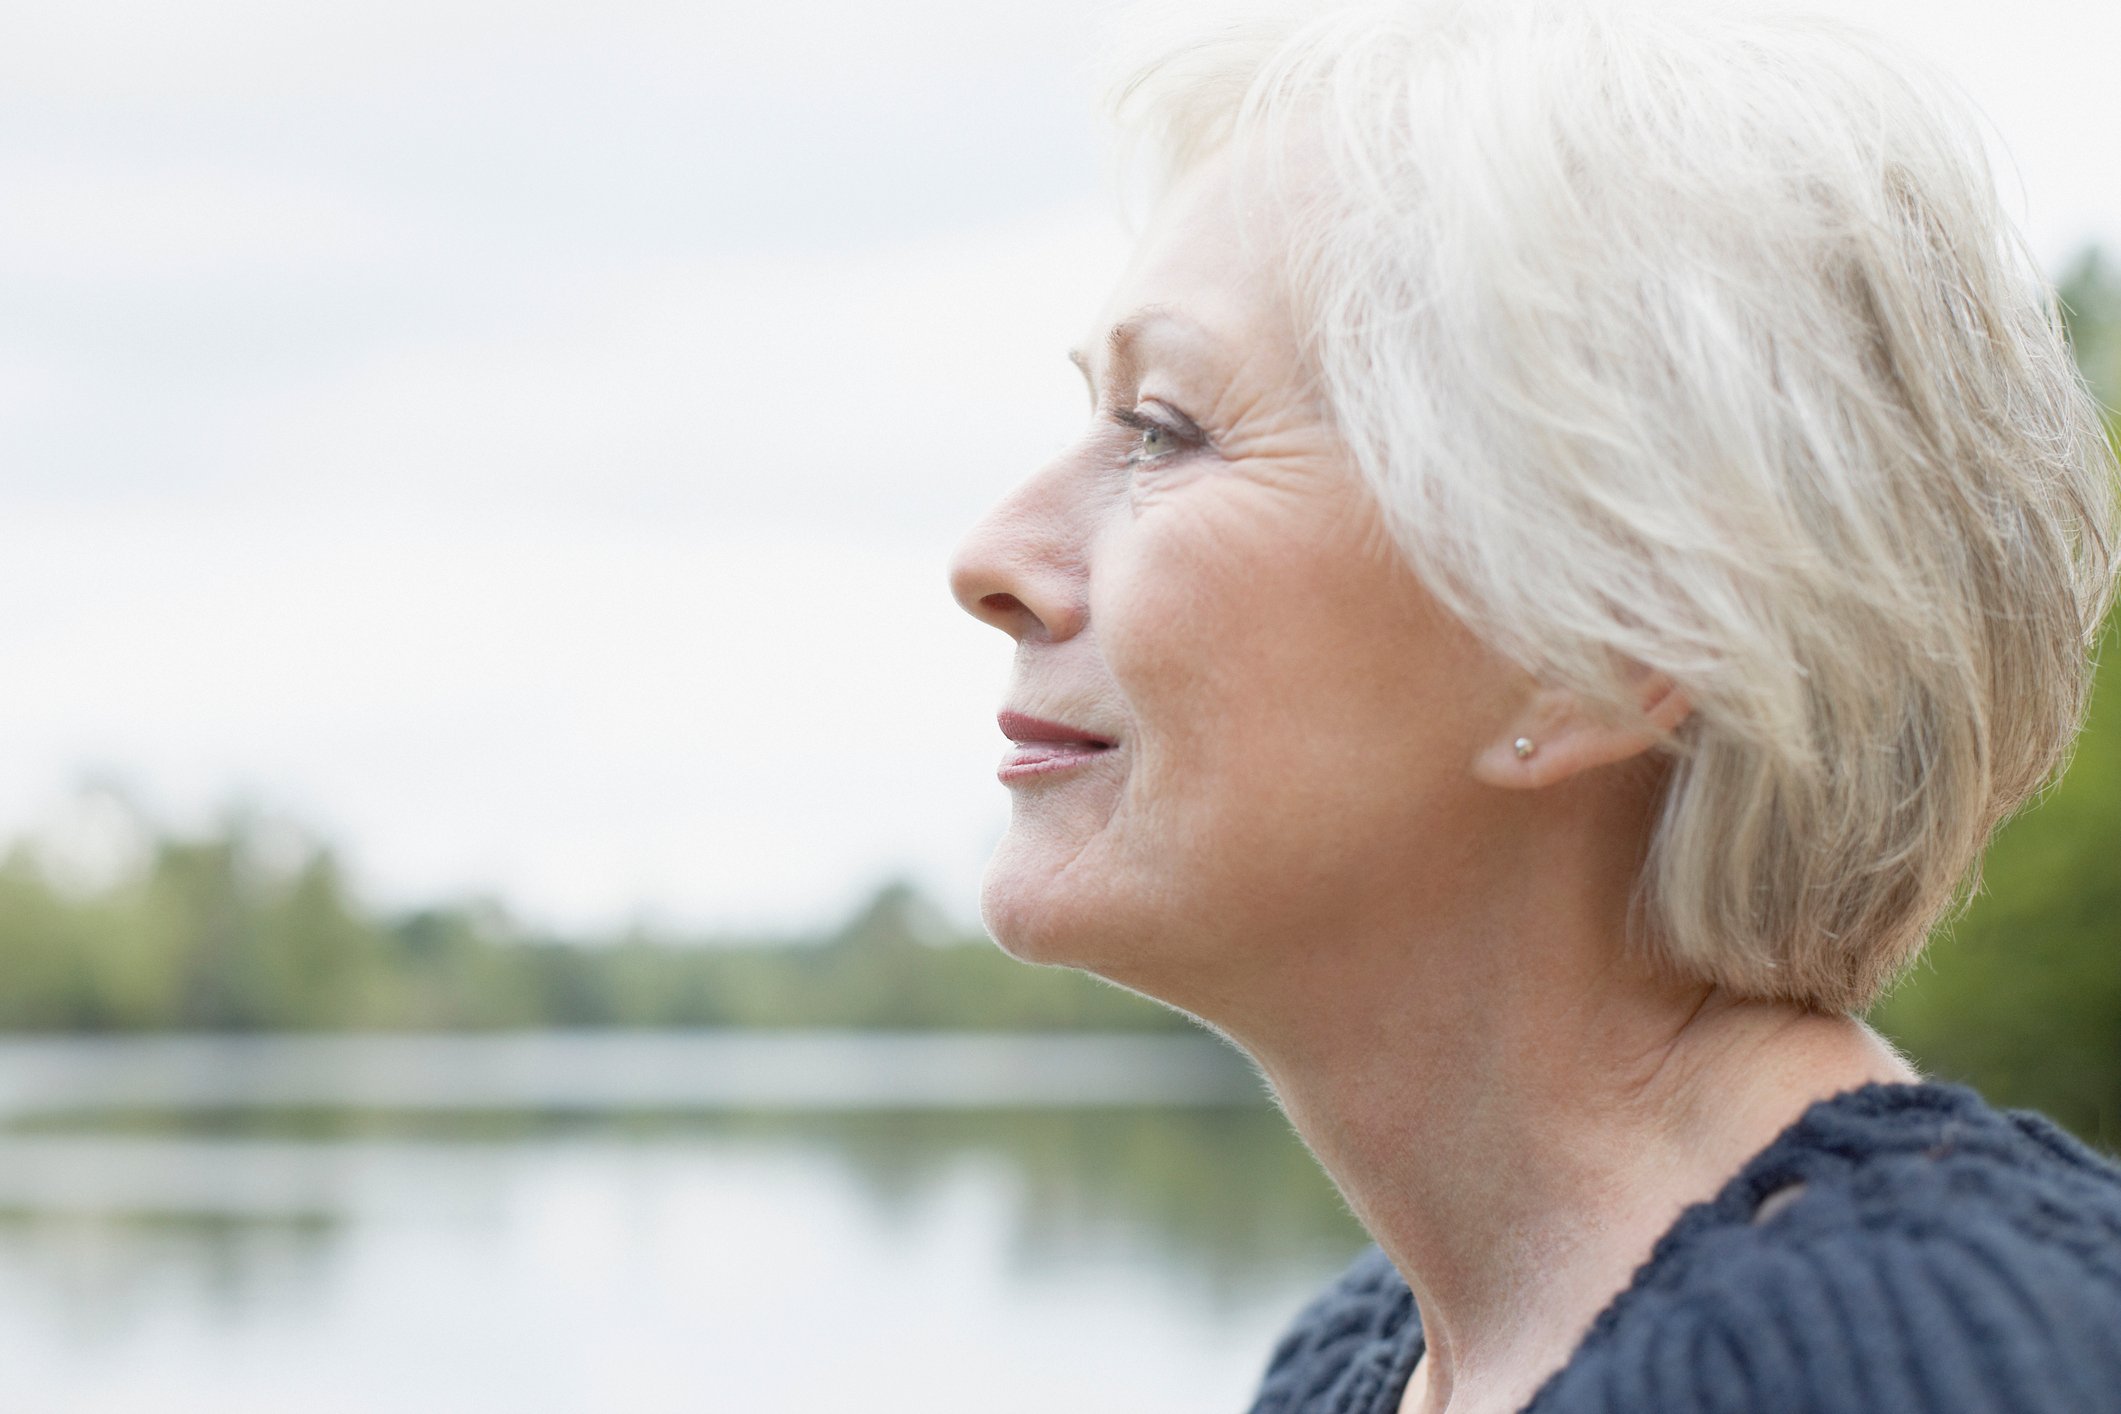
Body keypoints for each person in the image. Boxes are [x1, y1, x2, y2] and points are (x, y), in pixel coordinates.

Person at [946, 1, 2121, 1410]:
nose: (992, 557)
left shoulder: (1919, 1357)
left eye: (1162, 430)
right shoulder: (1358, 1362)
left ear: (1602, 640)